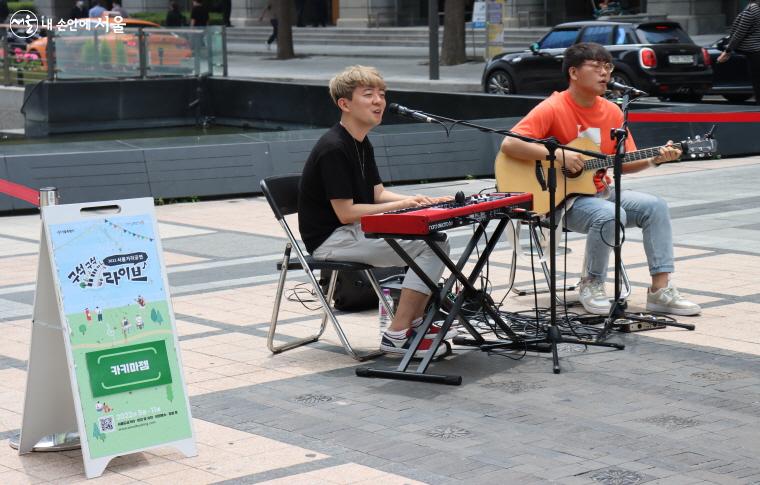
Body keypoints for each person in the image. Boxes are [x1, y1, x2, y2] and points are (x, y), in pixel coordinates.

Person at [500, 42, 701, 317]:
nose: (605, 73)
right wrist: (558, 155)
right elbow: (509, 145)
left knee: (655, 206)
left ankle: (660, 292)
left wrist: (656, 158)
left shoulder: (613, 112)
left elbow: (624, 163)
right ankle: (592, 284)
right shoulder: (553, 106)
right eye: (596, 67)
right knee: (609, 214)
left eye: (608, 67)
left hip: (598, 193)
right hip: (558, 199)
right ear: (573, 72)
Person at [298, 65, 456, 357]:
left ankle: (413, 324)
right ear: (344, 104)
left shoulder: (360, 141)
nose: (379, 101)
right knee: (431, 246)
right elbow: (345, 213)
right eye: (368, 94)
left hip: (351, 231)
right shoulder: (333, 147)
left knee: (435, 241)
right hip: (331, 240)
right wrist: (403, 206)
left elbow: (377, 193)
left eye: (381, 94)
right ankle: (398, 333)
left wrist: (418, 200)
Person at [718, 0, 760, 105]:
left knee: (758, 83)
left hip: (755, 52)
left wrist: (727, 50)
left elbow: (739, 34)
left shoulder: (752, 10)